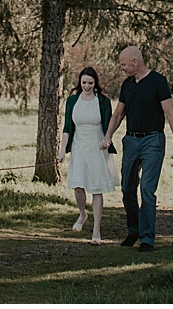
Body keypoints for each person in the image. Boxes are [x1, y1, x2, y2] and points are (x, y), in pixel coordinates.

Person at [100, 45, 173, 251]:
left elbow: (170, 112)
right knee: (127, 188)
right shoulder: (127, 85)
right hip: (131, 141)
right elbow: (118, 114)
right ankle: (134, 230)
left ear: (135, 62)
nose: (121, 68)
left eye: (124, 64)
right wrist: (108, 136)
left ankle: (147, 238)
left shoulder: (158, 81)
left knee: (147, 189)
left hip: (153, 141)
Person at [62, 65, 119, 243]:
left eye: (90, 83)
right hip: (79, 145)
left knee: (96, 188)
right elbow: (67, 128)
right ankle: (82, 214)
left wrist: (107, 140)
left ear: (95, 84)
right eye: (84, 82)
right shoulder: (72, 101)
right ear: (80, 82)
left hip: (97, 145)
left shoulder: (102, 101)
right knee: (78, 185)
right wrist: (62, 150)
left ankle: (96, 229)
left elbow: (109, 125)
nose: (87, 86)